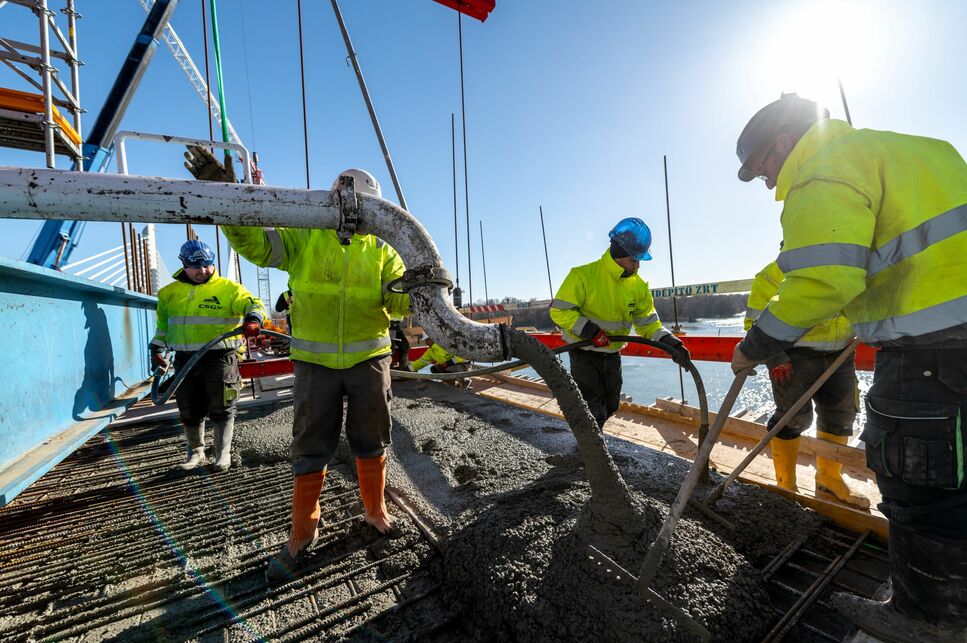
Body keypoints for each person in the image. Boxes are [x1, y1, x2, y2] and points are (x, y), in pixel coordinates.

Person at [731, 93, 967, 642]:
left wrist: (756, 345)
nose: (768, 182)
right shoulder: (929, 151)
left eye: (762, 166)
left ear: (784, 144)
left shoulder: (821, 173)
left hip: (929, 354)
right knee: (958, 476)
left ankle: (928, 619)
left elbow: (825, 282)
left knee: (920, 482)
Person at [183, 146, 410, 583]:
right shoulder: (305, 233)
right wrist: (226, 198)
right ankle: (302, 533)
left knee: (372, 440)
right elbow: (255, 244)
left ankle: (375, 511)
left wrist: (418, 281)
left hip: (369, 361)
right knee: (310, 446)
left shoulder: (383, 250)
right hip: (315, 364)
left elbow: (397, 304)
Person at [745, 258, 868, 508]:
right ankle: (786, 483)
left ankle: (829, 477)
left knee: (841, 416)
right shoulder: (772, 274)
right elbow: (754, 322)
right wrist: (774, 355)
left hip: (841, 352)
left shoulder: (847, 266)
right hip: (794, 355)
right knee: (793, 417)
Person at [549, 217, 690, 429]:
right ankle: (589, 448)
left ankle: (594, 437)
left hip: (612, 353)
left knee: (611, 403)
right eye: (634, 260)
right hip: (584, 352)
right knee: (590, 406)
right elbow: (559, 310)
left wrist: (672, 343)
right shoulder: (583, 276)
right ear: (620, 254)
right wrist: (588, 330)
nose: (637, 265)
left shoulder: (638, 286)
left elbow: (648, 324)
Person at [149, 239, 265, 472]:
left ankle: (222, 454)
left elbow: (254, 304)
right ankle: (196, 452)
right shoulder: (168, 294)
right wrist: (157, 349)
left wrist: (253, 319)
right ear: (184, 264)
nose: (203, 271)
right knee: (189, 408)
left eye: (208, 265)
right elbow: (163, 327)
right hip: (184, 360)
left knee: (223, 405)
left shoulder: (229, 289)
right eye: (196, 266)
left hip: (219, 358)